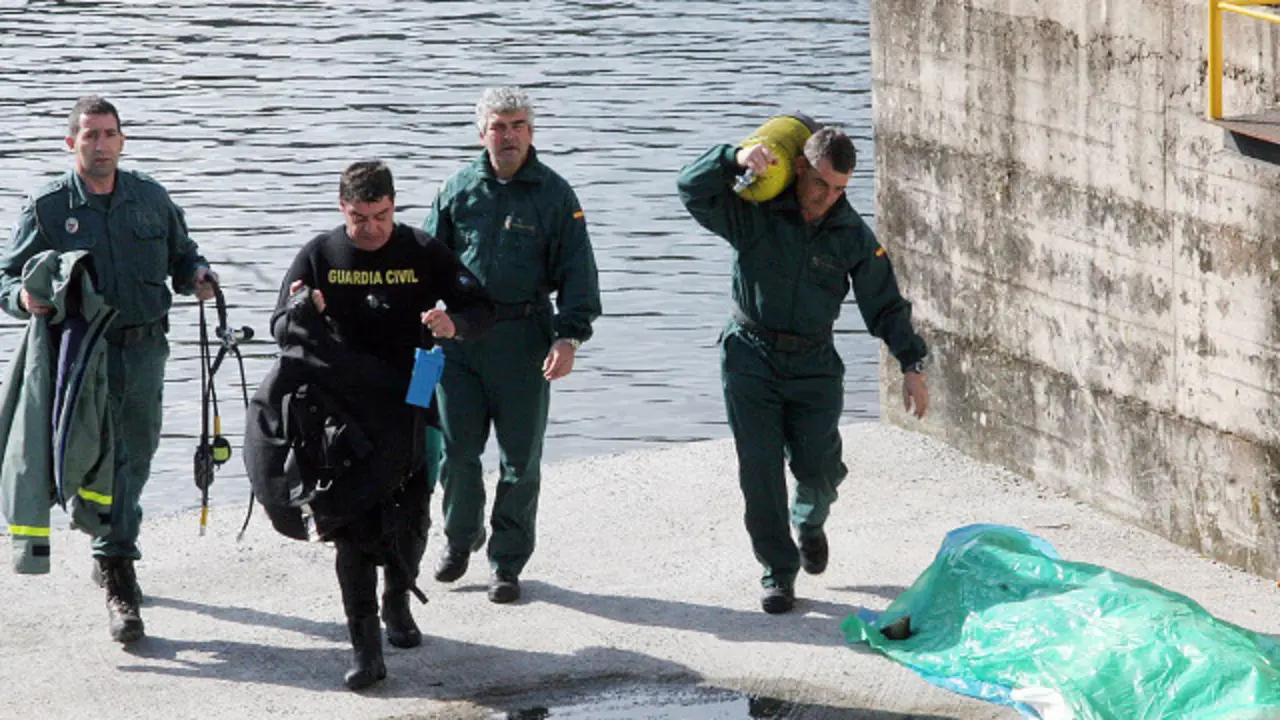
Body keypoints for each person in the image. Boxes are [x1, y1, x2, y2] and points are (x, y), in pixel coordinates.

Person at [252, 159, 495, 689]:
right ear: (342, 209)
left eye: (381, 216)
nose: (371, 229)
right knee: (352, 529)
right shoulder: (321, 254)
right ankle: (365, 648)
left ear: (394, 205)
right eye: (359, 217)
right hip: (343, 414)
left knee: (412, 518)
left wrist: (453, 323)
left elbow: (481, 306)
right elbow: (279, 324)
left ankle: (397, 603)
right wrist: (302, 308)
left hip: (411, 402)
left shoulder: (421, 249)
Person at [676, 125, 930, 614]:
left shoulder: (851, 233)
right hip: (750, 354)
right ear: (799, 169)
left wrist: (911, 364)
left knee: (818, 466)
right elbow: (691, 188)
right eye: (821, 184)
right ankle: (778, 571)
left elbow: (885, 304)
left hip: (814, 362)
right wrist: (736, 156)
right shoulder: (754, 212)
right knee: (760, 469)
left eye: (840, 188)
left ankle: (810, 519)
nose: (828, 197)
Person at [0, 96, 217, 642]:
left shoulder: (149, 198)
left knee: (135, 454)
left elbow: (182, 255)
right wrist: (22, 299)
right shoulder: (49, 207)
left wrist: (198, 276)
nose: (100, 145)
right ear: (70, 141)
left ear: (123, 141)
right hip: (79, 358)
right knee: (91, 456)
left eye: (109, 134)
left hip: (144, 349)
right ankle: (118, 568)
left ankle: (110, 545)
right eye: (90, 135)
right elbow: (5, 278)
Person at [424, 87, 601, 604]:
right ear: (482, 133)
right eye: (498, 127)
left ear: (531, 132)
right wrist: (425, 319)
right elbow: (428, 264)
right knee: (457, 453)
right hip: (459, 342)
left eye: (518, 125)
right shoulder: (458, 190)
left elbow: (578, 274)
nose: (508, 136)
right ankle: (460, 540)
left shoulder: (554, 195)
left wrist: (569, 336)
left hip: (525, 341)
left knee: (520, 460)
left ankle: (506, 561)